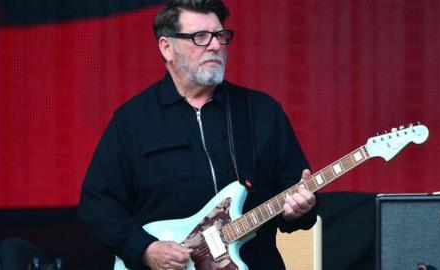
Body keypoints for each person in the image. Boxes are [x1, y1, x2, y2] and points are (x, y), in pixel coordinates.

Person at [78, 0, 318, 269]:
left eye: (219, 35)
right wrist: (144, 248)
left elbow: (295, 196)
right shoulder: (133, 120)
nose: (215, 45)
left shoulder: (260, 111)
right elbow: (97, 205)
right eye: (200, 37)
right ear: (166, 47)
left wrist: (302, 208)